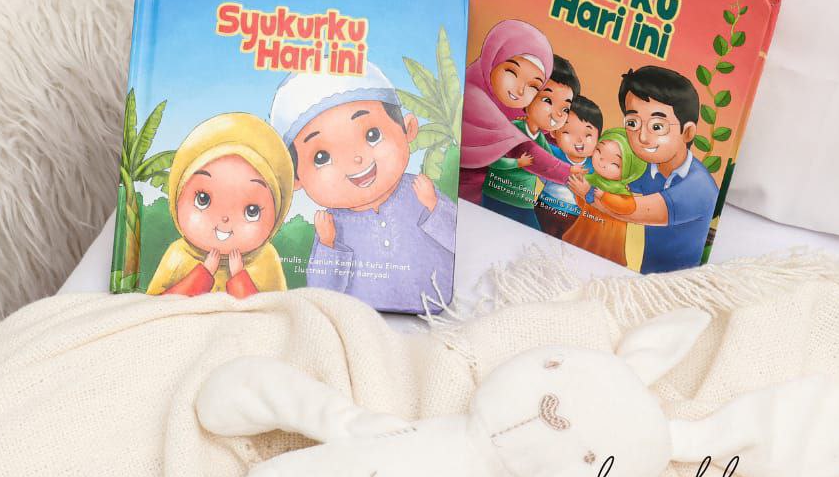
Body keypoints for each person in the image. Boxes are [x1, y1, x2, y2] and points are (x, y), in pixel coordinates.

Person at [269, 64, 455, 311]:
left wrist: (435, 207)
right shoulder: (332, 225)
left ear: (408, 129)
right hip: (360, 318)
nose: (355, 159)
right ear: (296, 179)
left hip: (435, 306)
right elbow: (321, 293)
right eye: (322, 157)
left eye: (372, 135)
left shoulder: (420, 191)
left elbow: (455, 241)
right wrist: (328, 245)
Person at [582, 66, 718, 273]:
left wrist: (586, 192)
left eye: (657, 127)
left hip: (680, 281)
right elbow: (608, 171)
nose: (642, 137)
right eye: (633, 123)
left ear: (688, 132)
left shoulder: (699, 187)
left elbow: (630, 211)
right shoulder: (647, 166)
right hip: (641, 274)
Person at [146, 112, 294, 298]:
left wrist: (239, 277)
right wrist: (203, 274)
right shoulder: (178, 255)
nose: (225, 218)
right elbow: (158, 304)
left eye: (252, 211)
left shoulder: (266, 259)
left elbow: (273, 309)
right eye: (203, 199)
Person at [459, 20, 554, 204]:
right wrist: (567, 173)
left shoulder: (519, 116)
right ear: (492, 59)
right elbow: (528, 151)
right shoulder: (473, 96)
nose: (520, 90)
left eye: (534, 86)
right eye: (512, 72)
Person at [482, 56, 582, 229]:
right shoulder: (514, 129)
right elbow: (494, 160)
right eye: (548, 100)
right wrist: (516, 163)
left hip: (524, 203)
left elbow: (549, 162)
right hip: (498, 197)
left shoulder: (540, 138)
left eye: (565, 108)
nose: (558, 113)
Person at [566, 128, 647, 267]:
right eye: (599, 151)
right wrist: (580, 190)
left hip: (609, 238)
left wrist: (604, 196)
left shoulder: (621, 190)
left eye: (614, 163)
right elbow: (582, 204)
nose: (602, 162)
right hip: (584, 231)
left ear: (629, 171)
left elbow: (627, 207)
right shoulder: (591, 179)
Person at [535, 94, 602, 239]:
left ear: (599, 139)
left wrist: (587, 192)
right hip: (545, 208)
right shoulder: (552, 153)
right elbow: (538, 161)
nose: (579, 140)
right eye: (568, 132)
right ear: (554, 132)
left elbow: (598, 195)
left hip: (576, 218)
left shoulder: (597, 166)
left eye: (588, 134)